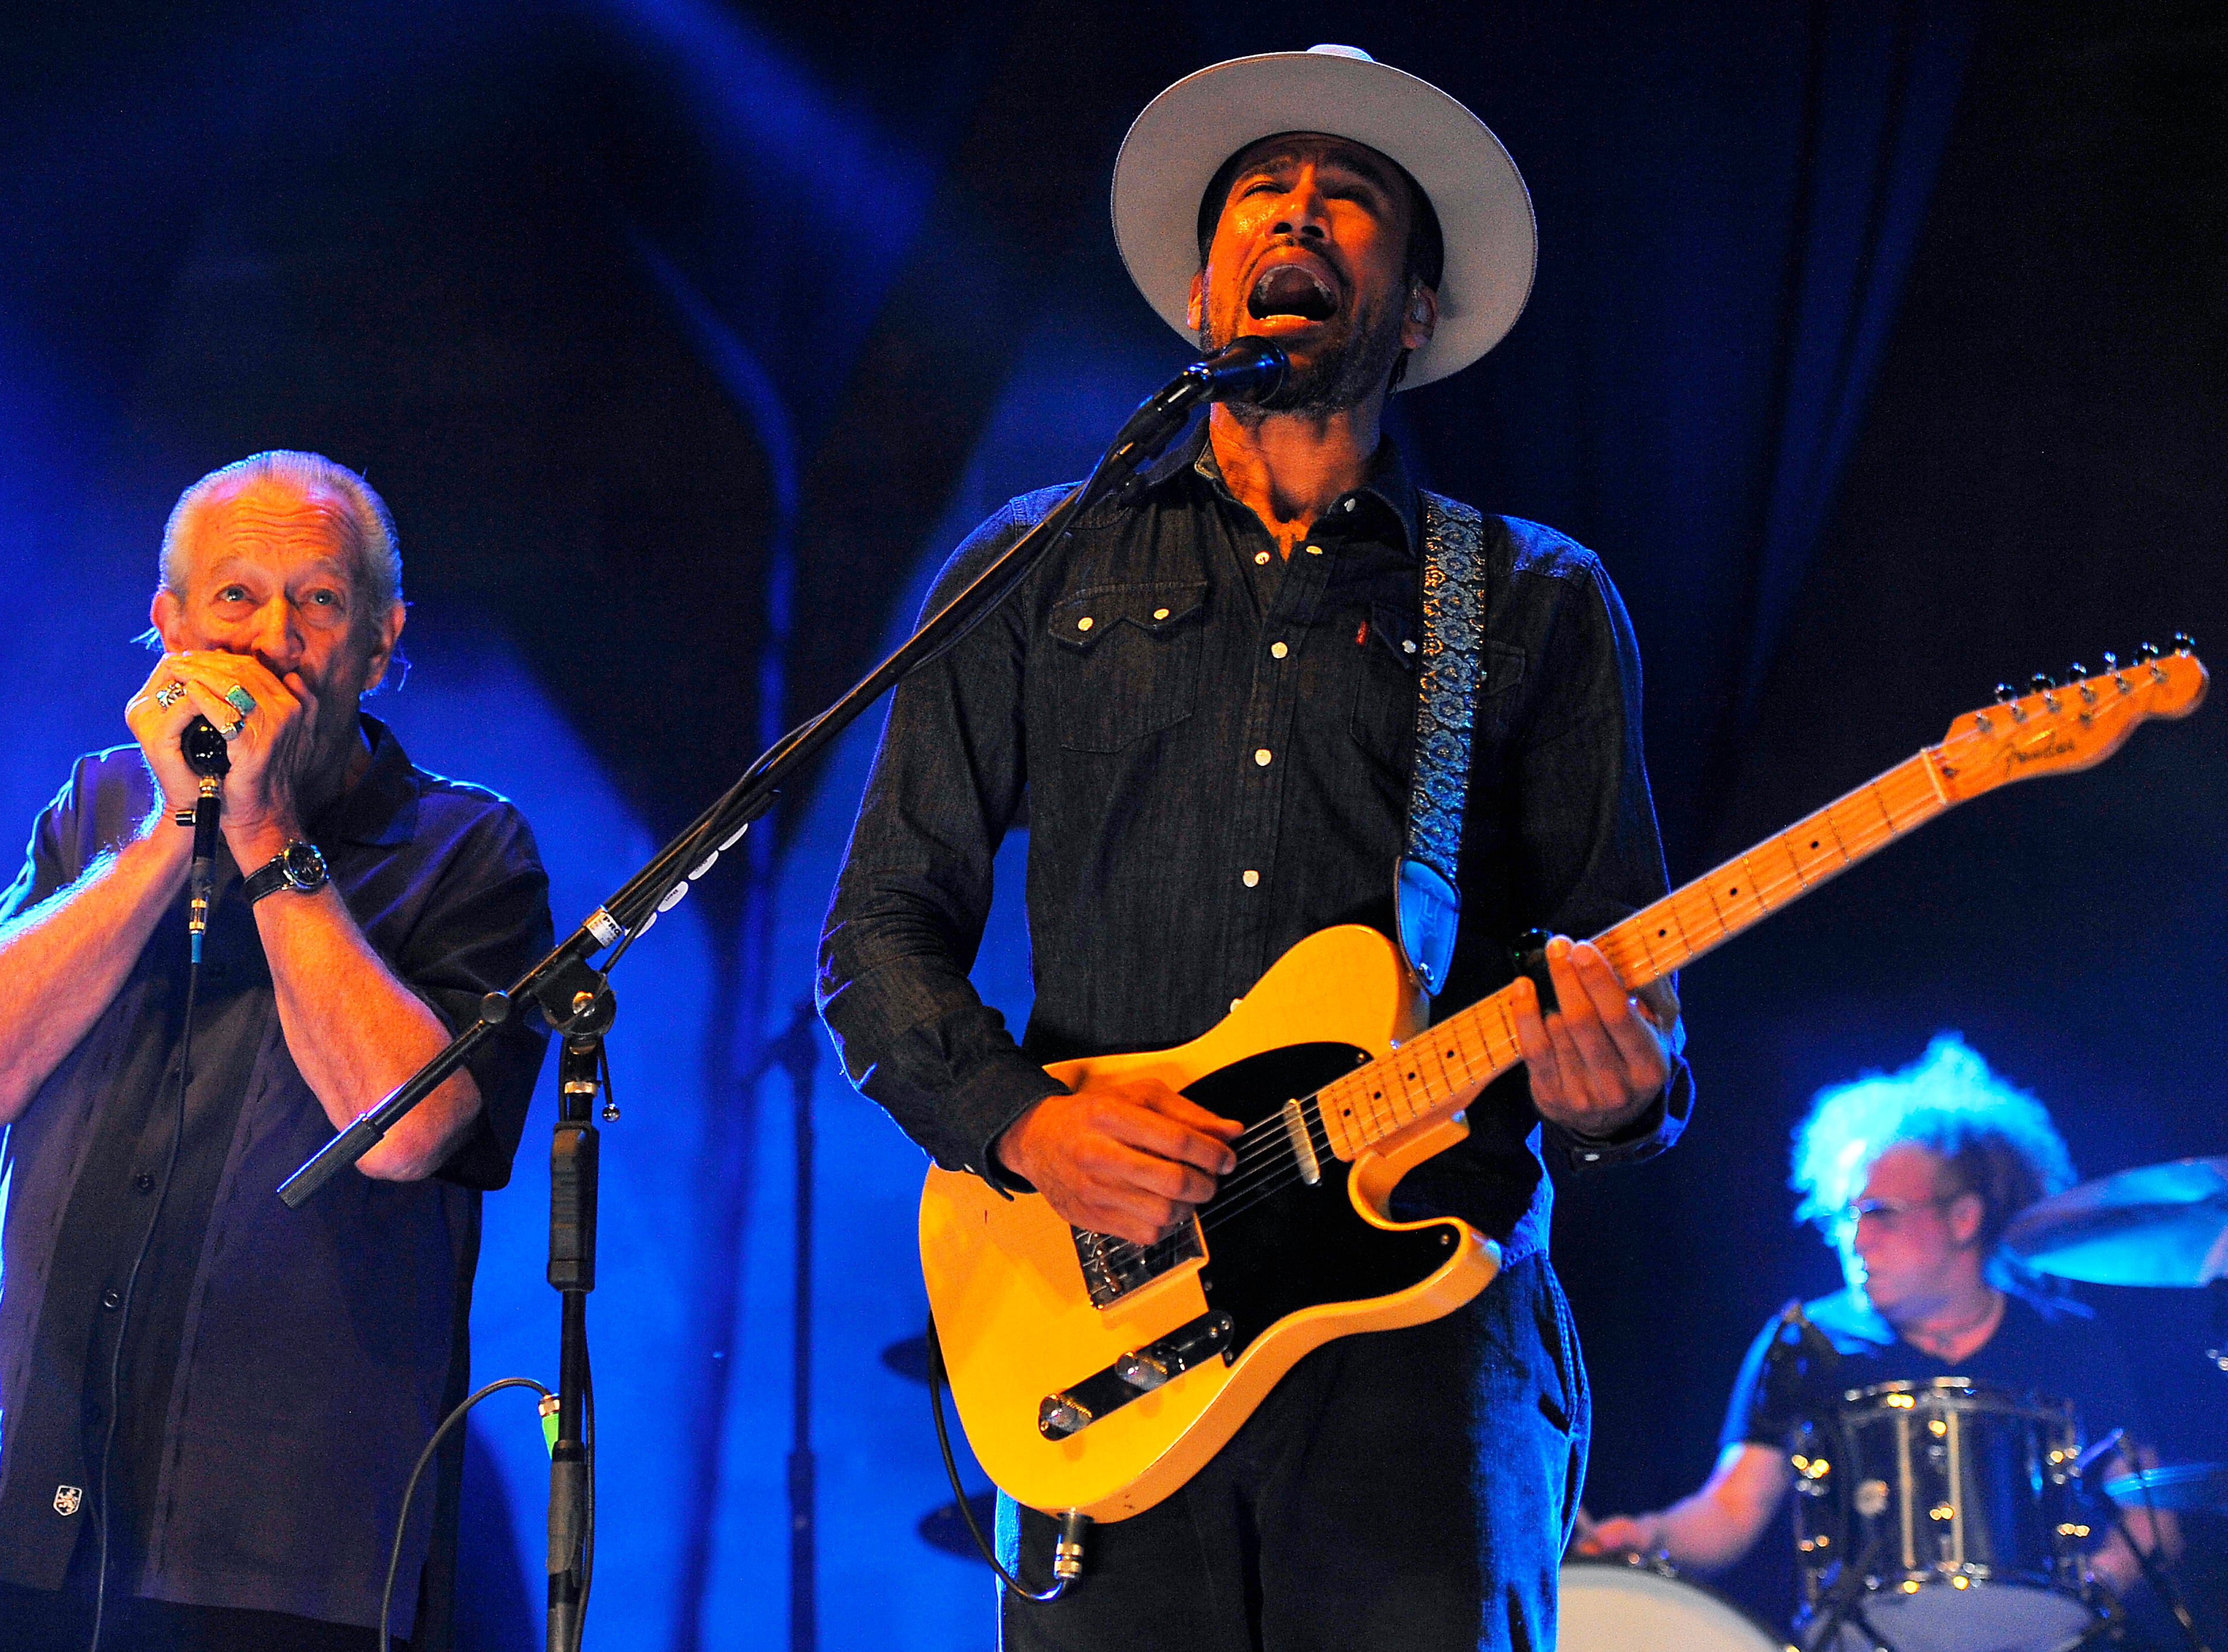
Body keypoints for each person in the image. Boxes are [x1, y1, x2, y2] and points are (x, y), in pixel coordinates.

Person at [819, 46, 1690, 1651]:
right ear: (1204, 289)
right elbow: (878, 928)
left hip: (1424, 1348)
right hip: (1115, 1325)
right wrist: (1020, 1126)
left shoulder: (1533, 598)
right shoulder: (1035, 563)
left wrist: (1618, 1092)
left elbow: (1619, 976)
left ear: (1414, 310)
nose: (1296, 214)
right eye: (1261, 197)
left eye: (1346, 198)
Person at [0, 451, 552, 1651]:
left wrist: (261, 834)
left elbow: (407, 1133)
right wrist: (166, 836)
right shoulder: (99, 807)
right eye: (235, 597)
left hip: (281, 1557)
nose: (270, 639)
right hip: (15, 1525)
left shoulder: (467, 850)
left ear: (379, 639)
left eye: (318, 601)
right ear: (170, 626)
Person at [1581, 1033, 2171, 1601]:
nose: (1854, 1241)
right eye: (1845, 1217)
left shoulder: (2066, 1340)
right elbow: (1732, 1510)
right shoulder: (1806, 1343)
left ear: (1963, 1218)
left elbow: (2152, 1519)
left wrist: (2094, 1589)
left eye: (1880, 1214)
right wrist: (1647, 1535)